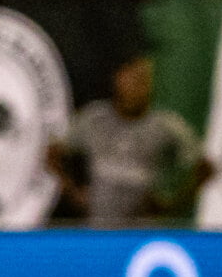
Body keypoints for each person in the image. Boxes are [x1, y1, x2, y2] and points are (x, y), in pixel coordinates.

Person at [49, 56, 204, 226]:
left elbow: (204, 168)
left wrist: (172, 205)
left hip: (143, 233)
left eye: (142, 80)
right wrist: (73, 193)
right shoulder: (94, 118)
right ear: (118, 80)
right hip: (100, 227)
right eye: (131, 79)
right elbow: (53, 154)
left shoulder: (166, 126)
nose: (137, 87)